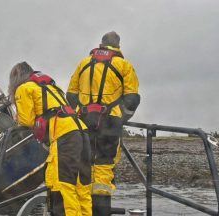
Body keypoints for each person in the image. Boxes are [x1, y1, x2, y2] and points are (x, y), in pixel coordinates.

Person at [66, 31, 140, 215]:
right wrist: (122, 118)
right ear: (118, 46)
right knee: (104, 166)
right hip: (109, 122)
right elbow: (132, 98)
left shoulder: (83, 63)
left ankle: (83, 208)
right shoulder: (124, 65)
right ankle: (101, 210)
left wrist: (79, 114)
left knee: (83, 163)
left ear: (101, 44)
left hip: (82, 122)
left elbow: (71, 95)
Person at [8, 62, 92, 216]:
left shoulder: (23, 88)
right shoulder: (52, 87)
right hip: (82, 132)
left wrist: (17, 118)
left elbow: (25, 121)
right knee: (82, 189)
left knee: (63, 187)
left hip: (64, 137)